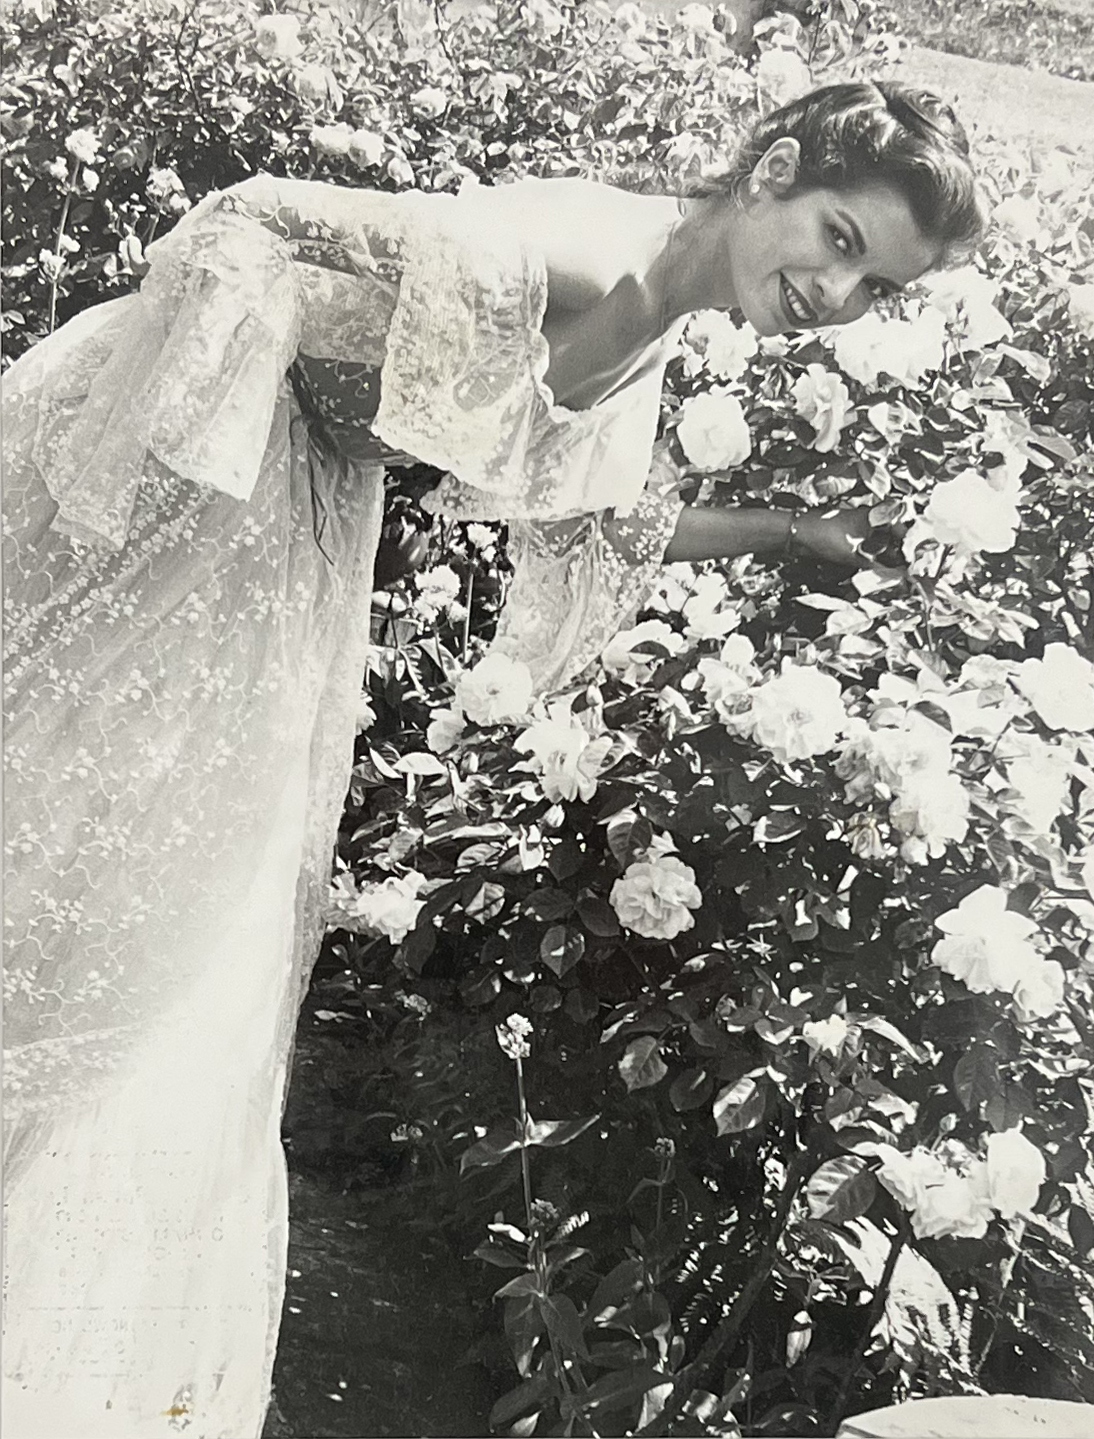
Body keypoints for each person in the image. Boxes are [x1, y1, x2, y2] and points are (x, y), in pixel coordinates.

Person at [1, 81, 983, 1436]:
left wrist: (784, 532)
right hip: (170, 504)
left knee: (159, 933)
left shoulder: (658, 306)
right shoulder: (587, 257)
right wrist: (179, 473)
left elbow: (601, 512)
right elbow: (248, 220)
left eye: (875, 287)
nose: (837, 294)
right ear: (770, 169)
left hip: (274, 542)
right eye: (838, 238)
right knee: (82, 876)